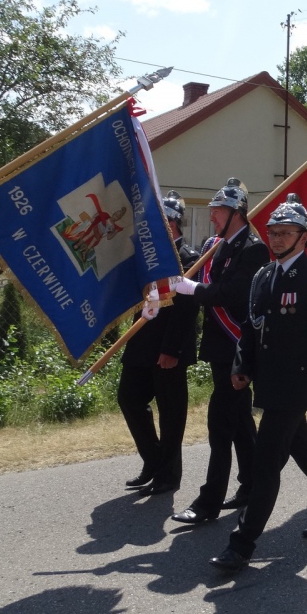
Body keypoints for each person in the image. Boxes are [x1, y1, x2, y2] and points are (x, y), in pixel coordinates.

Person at [208, 196, 307, 572]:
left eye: (284, 233)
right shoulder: (263, 275)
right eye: (272, 233)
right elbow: (251, 326)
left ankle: (242, 544)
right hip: (267, 381)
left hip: (295, 385)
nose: (275, 239)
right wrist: (241, 365)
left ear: (303, 237)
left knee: (266, 463)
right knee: (303, 447)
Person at [170, 178, 269, 526]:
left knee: (220, 424)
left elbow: (229, 295)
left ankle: (208, 502)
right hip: (218, 348)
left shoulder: (253, 250)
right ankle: (253, 484)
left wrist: (190, 287)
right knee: (241, 422)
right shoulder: (218, 246)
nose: (212, 217)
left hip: (238, 349)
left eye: (218, 212)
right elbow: (207, 290)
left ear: (237, 214)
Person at [117, 192, 199, 496]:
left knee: (171, 412)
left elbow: (187, 309)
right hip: (142, 341)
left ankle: (169, 476)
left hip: (169, 347)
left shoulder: (188, 258)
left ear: (174, 223)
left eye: (161, 222)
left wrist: (172, 350)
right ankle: (154, 461)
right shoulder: (147, 256)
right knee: (128, 398)